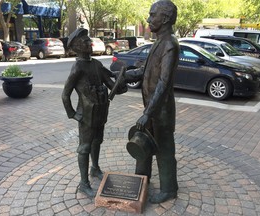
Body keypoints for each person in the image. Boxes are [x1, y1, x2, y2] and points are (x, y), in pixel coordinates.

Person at [125, 0, 179, 203]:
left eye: (152, 14)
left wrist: (149, 113)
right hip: (151, 108)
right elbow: (146, 72)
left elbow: (164, 83)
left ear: (164, 18)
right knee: (143, 143)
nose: (148, 19)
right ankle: (141, 180)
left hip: (161, 111)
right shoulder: (157, 42)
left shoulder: (170, 44)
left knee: (164, 150)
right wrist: (126, 76)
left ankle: (169, 189)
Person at [62, 28, 126, 197]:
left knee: (97, 141)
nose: (89, 43)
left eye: (89, 40)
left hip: (100, 111)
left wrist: (121, 85)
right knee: (84, 148)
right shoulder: (78, 67)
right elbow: (65, 94)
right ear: (76, 46)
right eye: (85, 41)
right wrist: (73, 114)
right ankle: (84, 183)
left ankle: (95, 168)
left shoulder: (96, 64)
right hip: (86, 115)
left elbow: (111, 84)